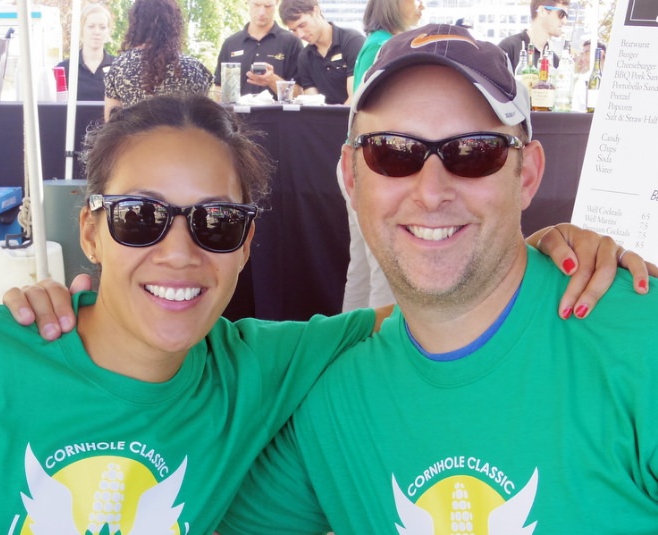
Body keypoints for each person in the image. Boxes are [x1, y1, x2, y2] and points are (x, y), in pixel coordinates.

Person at [218, 24, 658, 534]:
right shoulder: (329, 398)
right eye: (392, 152)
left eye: (475, 152)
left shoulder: (638, 342)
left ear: (529, 175)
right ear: (351, 177)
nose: (431, 192)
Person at [0, 94, 385, 532]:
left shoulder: (253, 372)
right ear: (91, 233)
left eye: (217, 221)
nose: (178, 254)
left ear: (246, 245)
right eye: (139, 216)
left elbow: (429, 321)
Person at [340, 0, 425, 311]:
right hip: (374, 166)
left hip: (363, 162)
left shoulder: (375, 45)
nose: (422, 6)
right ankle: (379, 350)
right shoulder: (387, 48)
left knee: (364, 267)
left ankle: (351, 344)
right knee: (384, 268)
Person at [103, 0, 212, 120]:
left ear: (136, 24)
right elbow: (203, 120)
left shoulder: (119, 67)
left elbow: (111, 122)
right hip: (180, 138)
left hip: (136, 138)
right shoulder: (194, 69)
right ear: (174, 25)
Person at [278, 0, 364, 105]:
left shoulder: (352, 41)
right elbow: (313, 104)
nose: (300, 35)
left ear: (316, 11)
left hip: (354, 118)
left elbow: (355, 97)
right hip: (323, 119)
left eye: (302, 25)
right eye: (294, 30)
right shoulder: (305, 57)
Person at [213, 0, 302, 100]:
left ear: (277, 3)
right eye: (257, 5)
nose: (262, 12)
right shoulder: (230, 44)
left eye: (268, 6)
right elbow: (219, 87)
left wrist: (272, 80)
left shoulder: (291, 42)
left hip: (277, 115)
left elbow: (300, 93)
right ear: (247, 2)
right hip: (237, 115)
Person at [55, 3, 116, 101]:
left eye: (102, 27)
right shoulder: (64, 69)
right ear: (81, 29)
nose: (97, 32)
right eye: (91, 26)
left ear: (108, 31)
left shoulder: (118, 67)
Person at [499, 0, 569, 72]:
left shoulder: (554, 60)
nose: (565, 21)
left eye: (566, 16)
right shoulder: (509, 47)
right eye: (561, 14)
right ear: (542, 11)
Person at [572, 40, 606, 112]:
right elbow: (577, 109)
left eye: (587, 53)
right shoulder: (581, 81)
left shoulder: (612, 78)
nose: (583, 58)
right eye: (583, 54)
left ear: (601, 53)